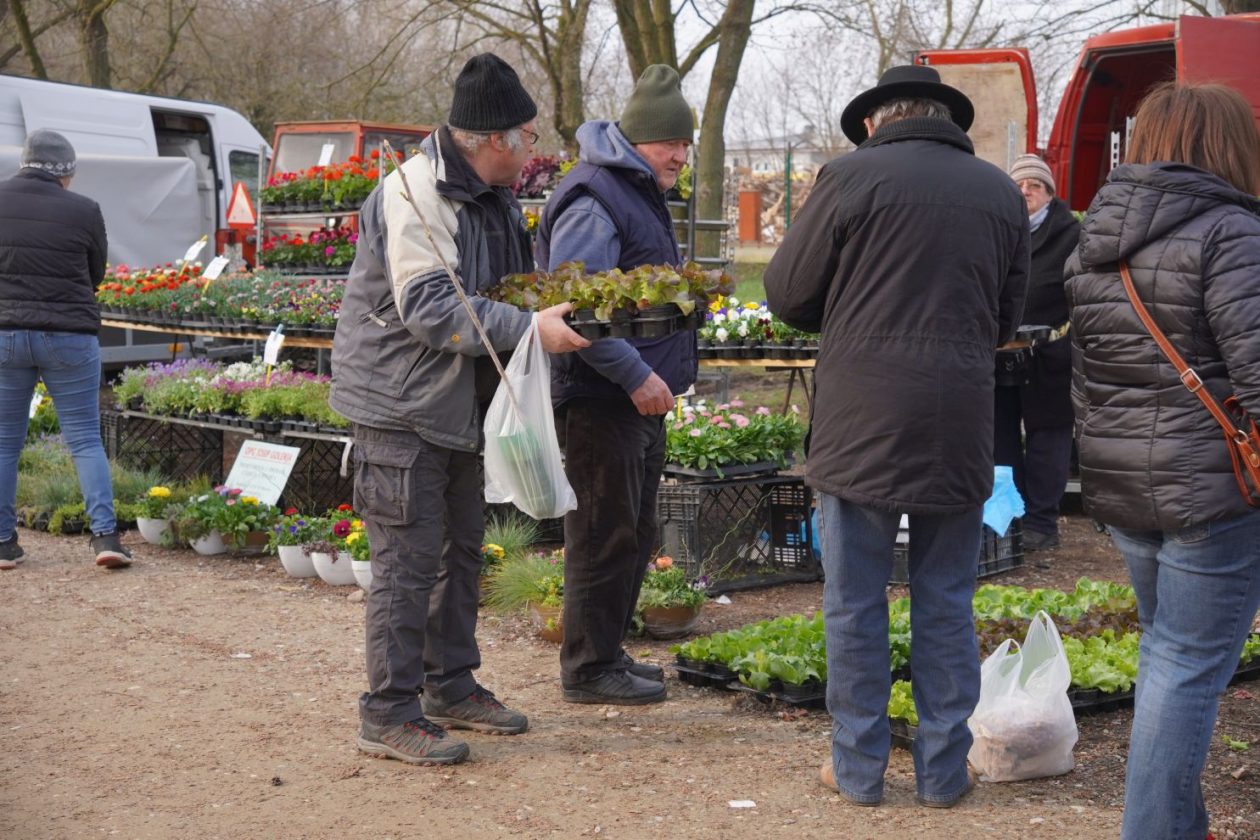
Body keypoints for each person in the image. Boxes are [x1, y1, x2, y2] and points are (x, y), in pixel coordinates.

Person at [763, 65, 1029, 807]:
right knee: (946, 597)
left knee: (855, 600)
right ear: (945, 118)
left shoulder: (848, 179)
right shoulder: (1002, 193)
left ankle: (858, 770)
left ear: (875, 121)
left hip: (861, 423)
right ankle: (944, 774)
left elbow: (786, 294)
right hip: (959, 418)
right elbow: (1006, 319)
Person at [330, 53, 590, 766]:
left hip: (454, 406)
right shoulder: (413, 194)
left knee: (461, 552)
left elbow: (507, 288)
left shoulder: (489, 194)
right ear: (492, 140)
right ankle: (386, 712)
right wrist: (531, 328)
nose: (534, 149)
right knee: (408, 563)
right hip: (401, 405)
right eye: (528, 137)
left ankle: (451, 685)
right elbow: (428, 309)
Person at [1064, 82, 1260, 840]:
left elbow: (1086, 378)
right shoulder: (1231, 233)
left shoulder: (1096, 238)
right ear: (1228, 145)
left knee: (1166, 658)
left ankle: (1181, 822)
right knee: (1185, 669)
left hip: (1126, 486)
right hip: (1213, 490)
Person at [533, 64, 695, 705]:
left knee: (632, 529)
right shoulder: (596, 197)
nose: (679, 156)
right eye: (669, 145)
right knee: (603, 532)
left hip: (634, 396)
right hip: (603, 396)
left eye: (685, 144)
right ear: (636, 140)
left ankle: (607, 653)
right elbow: (578, 308)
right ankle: (588, 669)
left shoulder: (635, 190)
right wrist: (635, 375)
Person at [0, 129, 134, 571]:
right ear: (67, 173)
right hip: (70, 336)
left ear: (24, 163)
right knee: (84, 440)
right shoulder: (84, 209)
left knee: (3, 444)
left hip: (4, 335)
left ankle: (3, 543)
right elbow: (94, 272)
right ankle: (105, 538)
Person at [993, 154, 1080, 558]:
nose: (1025, 191)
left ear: (1049, 194)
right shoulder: (995, 228)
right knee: (1000, 438)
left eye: (1035, 185)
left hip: (1051, 354)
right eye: (1019, 185)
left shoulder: (1071, 234)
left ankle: (1042, 521)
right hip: (999, 352)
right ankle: (1009, 520)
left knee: (1049, 439)